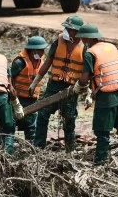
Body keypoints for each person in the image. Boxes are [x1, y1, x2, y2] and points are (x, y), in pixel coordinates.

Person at [73, 23, 118, 165]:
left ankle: (100, 162)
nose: (81, 41)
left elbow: (85, 78)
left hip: (106, 97)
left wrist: (77, 88)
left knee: (102, 132)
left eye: (82, 39)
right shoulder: (111, 47)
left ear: (87, 39)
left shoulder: (90, 53)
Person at [30, 15, 85, 151]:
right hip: (54, 85)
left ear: (77, 31)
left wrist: (86, 91)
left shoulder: (85, 46)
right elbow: (47, 62)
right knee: (43, 113)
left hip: (72, 87)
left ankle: (70, 149)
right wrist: (35, 82)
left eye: (69, 28)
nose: (65, 30)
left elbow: (88, 71)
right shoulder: (58, 41)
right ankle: (39, 146)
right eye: (65, 27)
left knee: (69, 118)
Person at [6, 36, 48, 144]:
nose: (43, 52)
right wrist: (13, 99)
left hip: (32, 100)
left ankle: (30, 149)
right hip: (17, 99)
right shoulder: (20, 63)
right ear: (34, 50)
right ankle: (1, 147)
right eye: (41, 50)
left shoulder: (41, 62)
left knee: (31, 127)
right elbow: (9, 78)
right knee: (9, 125)